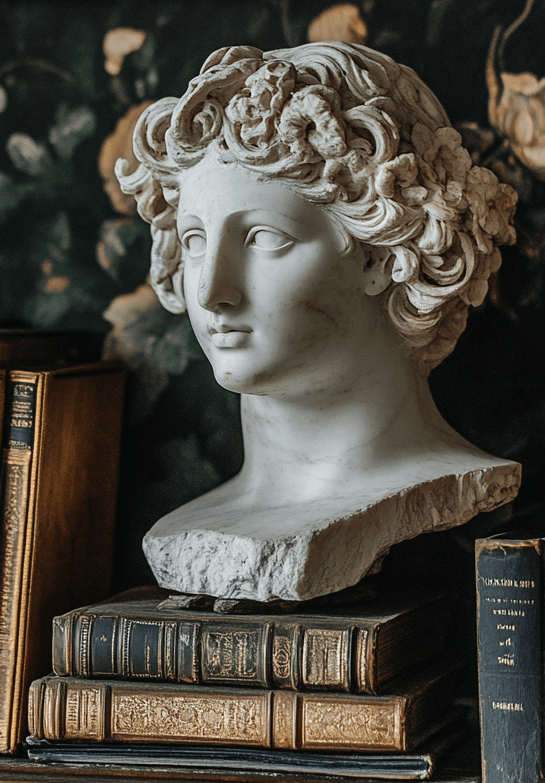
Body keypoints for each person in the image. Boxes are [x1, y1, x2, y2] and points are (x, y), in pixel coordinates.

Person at [118, 42, 521, 601]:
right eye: (194, 240)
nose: (212, 292)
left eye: (263, 238)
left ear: (383, 252)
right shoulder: (182, 525)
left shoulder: (435, 481)